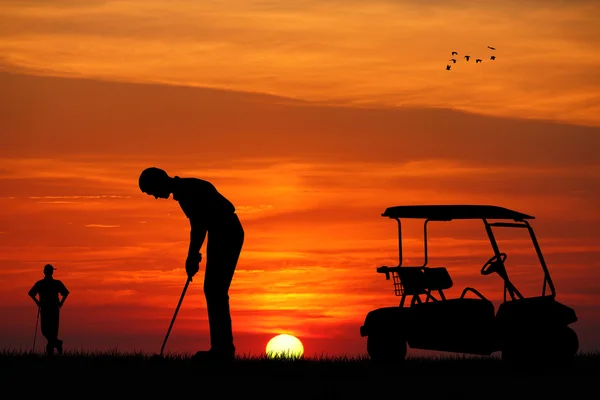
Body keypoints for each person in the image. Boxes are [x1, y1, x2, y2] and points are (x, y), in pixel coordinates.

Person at [138, 167, 244, 361]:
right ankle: (222, 348)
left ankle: (223, 350)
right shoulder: (184, 191)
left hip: (227, 232)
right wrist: (193, 255)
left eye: (152, 191)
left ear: (159, 182)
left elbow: (199, 226)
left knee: (215, 290)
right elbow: (199, 226)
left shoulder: (188, 191)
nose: (154, 197)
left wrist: (192, 255)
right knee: (213, 290)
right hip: (221, 232)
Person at [28, 264, 70, 356]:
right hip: (51, 309)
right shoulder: (55, 283)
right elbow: (66, 293)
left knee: (48, 330)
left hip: (49, 309)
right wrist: (61, 303)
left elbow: (31, 293)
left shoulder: (42, 283)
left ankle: (51, 351)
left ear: (44, 272)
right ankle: (57, 344)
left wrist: (37, 302)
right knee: (48, 331)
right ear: (51, 272)